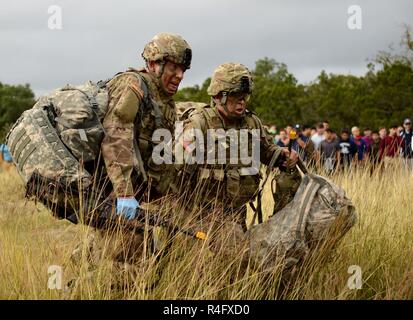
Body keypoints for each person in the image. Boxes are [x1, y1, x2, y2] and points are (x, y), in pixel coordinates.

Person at [70, 33, 193, 288]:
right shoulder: (133, 86)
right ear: (153, 64)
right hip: (113, 191)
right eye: (173, 67)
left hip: (135, 193)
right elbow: (117, 137)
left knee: (135, 252)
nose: (180, 75)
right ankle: (83, 289)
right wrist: (125, 194)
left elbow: (156, 155)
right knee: (133, 258)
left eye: (183, 69)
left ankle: (84, 270)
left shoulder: (166, 103)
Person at [174, 62, 298, 256]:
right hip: (200, 213)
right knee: (230, 259)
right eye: (236, 97)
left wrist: (282, 156)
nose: (242, 102)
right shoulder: (200, 123)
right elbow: (176, 166)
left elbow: (266, 151)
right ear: (219, 96)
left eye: (245, 97)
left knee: (234, 262)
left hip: (236, 213)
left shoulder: (251, 122)